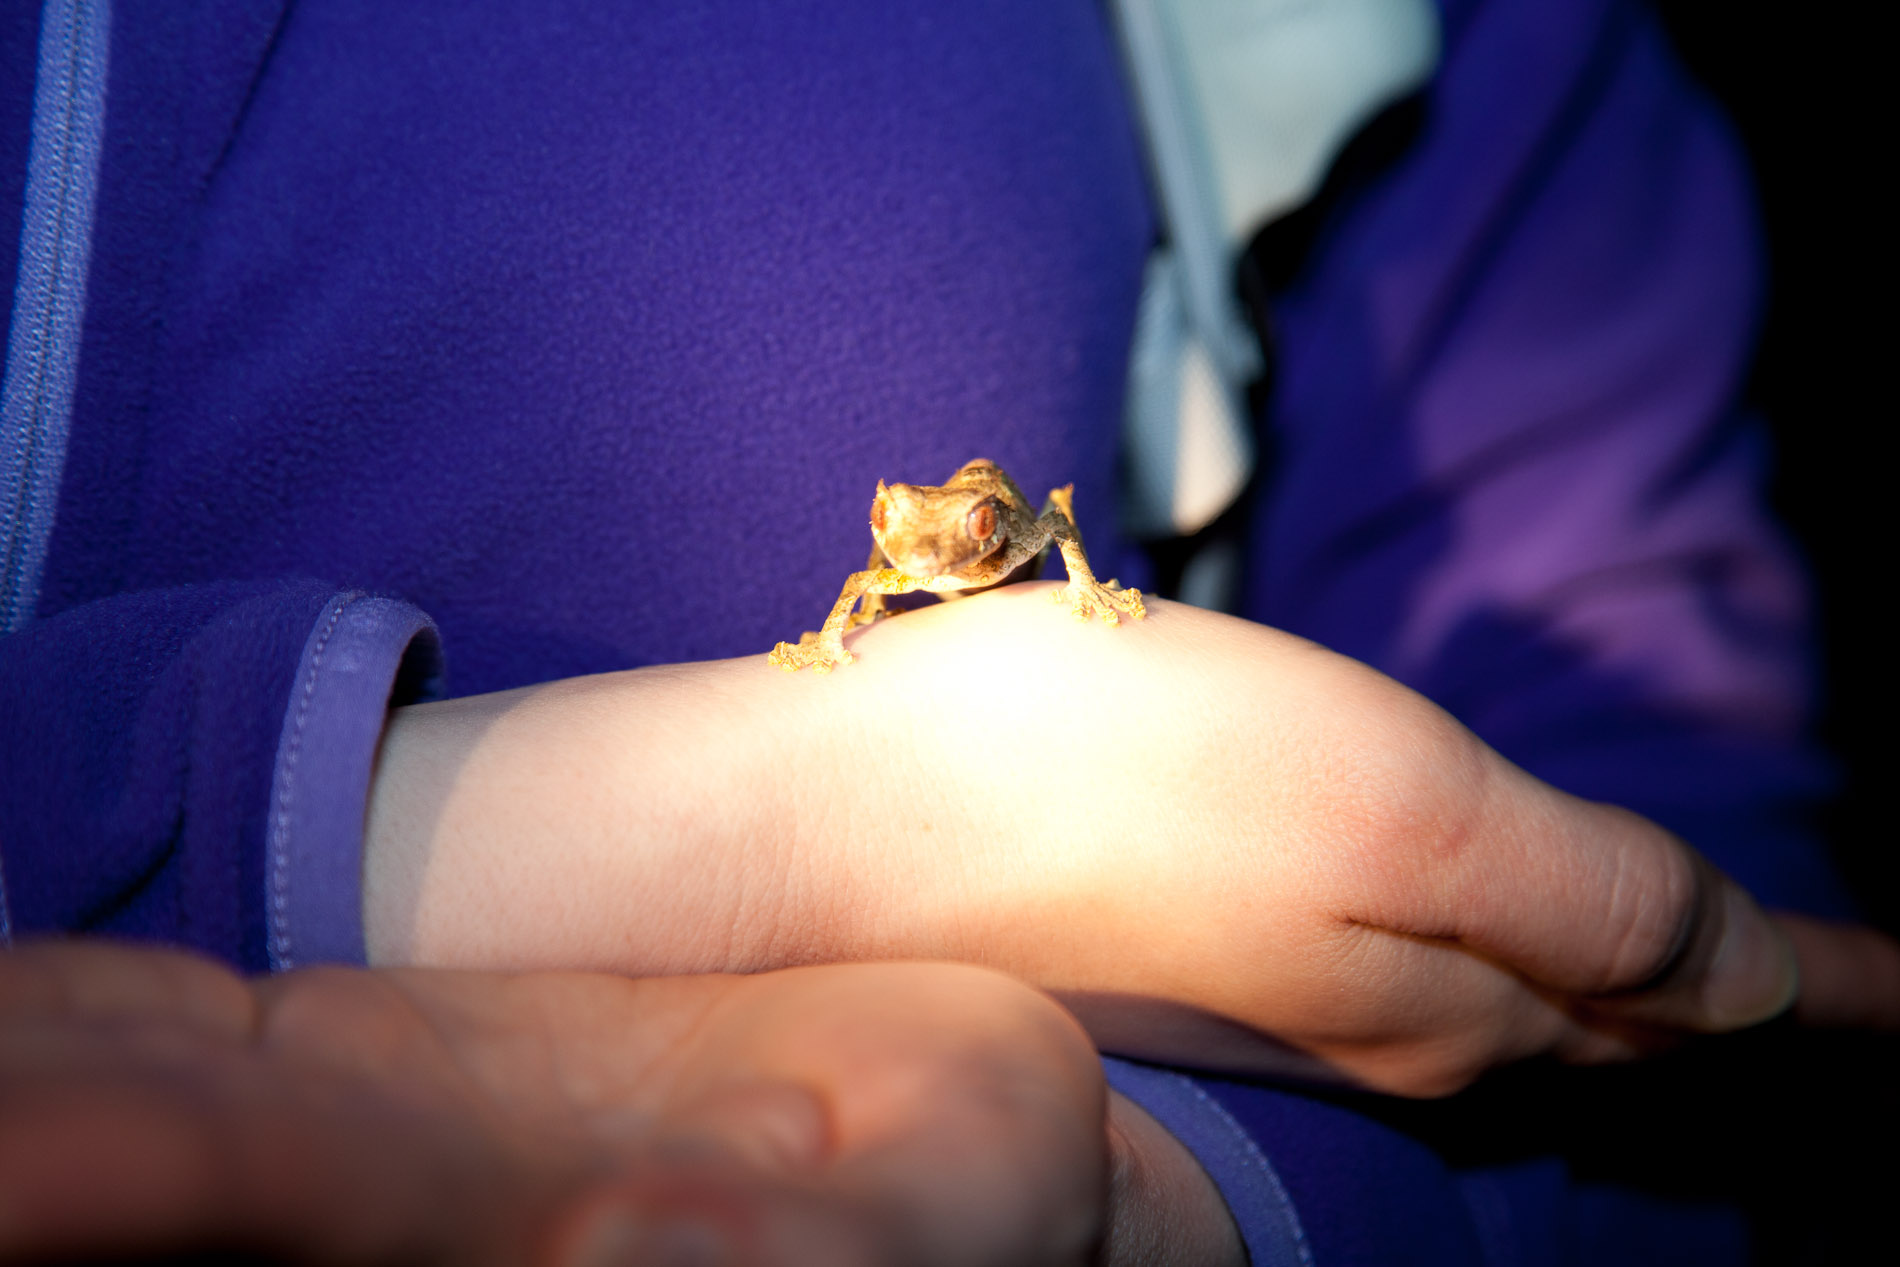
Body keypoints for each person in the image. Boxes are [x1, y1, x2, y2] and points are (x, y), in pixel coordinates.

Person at [3, 0, 1896, 1261]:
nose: (919, 540)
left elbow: (1658, 786)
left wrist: (1228, 1204)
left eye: (940, 528)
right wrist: (725, 807)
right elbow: (857, 606)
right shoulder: (895, 565)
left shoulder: (1460, 74)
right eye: (915, 534)